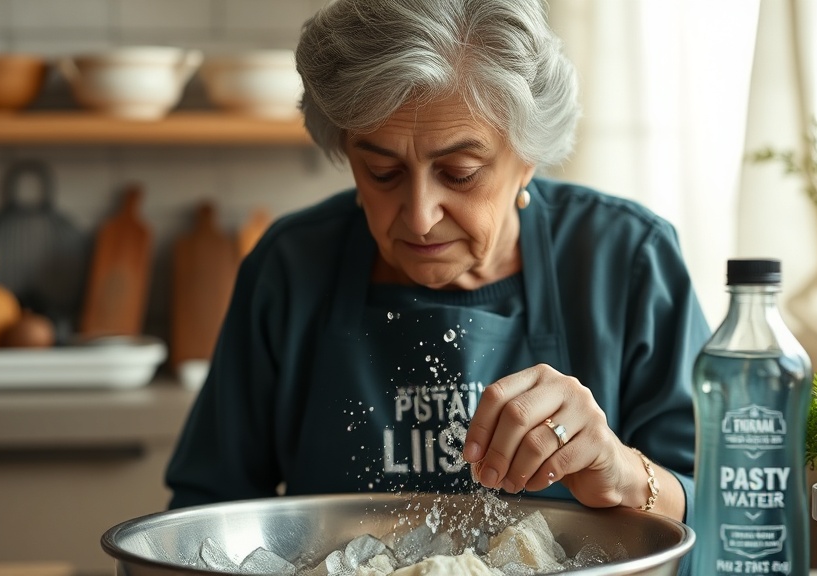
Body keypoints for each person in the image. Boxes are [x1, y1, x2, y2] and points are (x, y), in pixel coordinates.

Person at [165, 0, 711, 528]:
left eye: (461, 172)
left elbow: (718, 509)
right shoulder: (290, 269)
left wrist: (621, 471)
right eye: (382, 173)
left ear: (527, 158)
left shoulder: (627, 260)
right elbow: (206, 517)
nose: (420, 217)